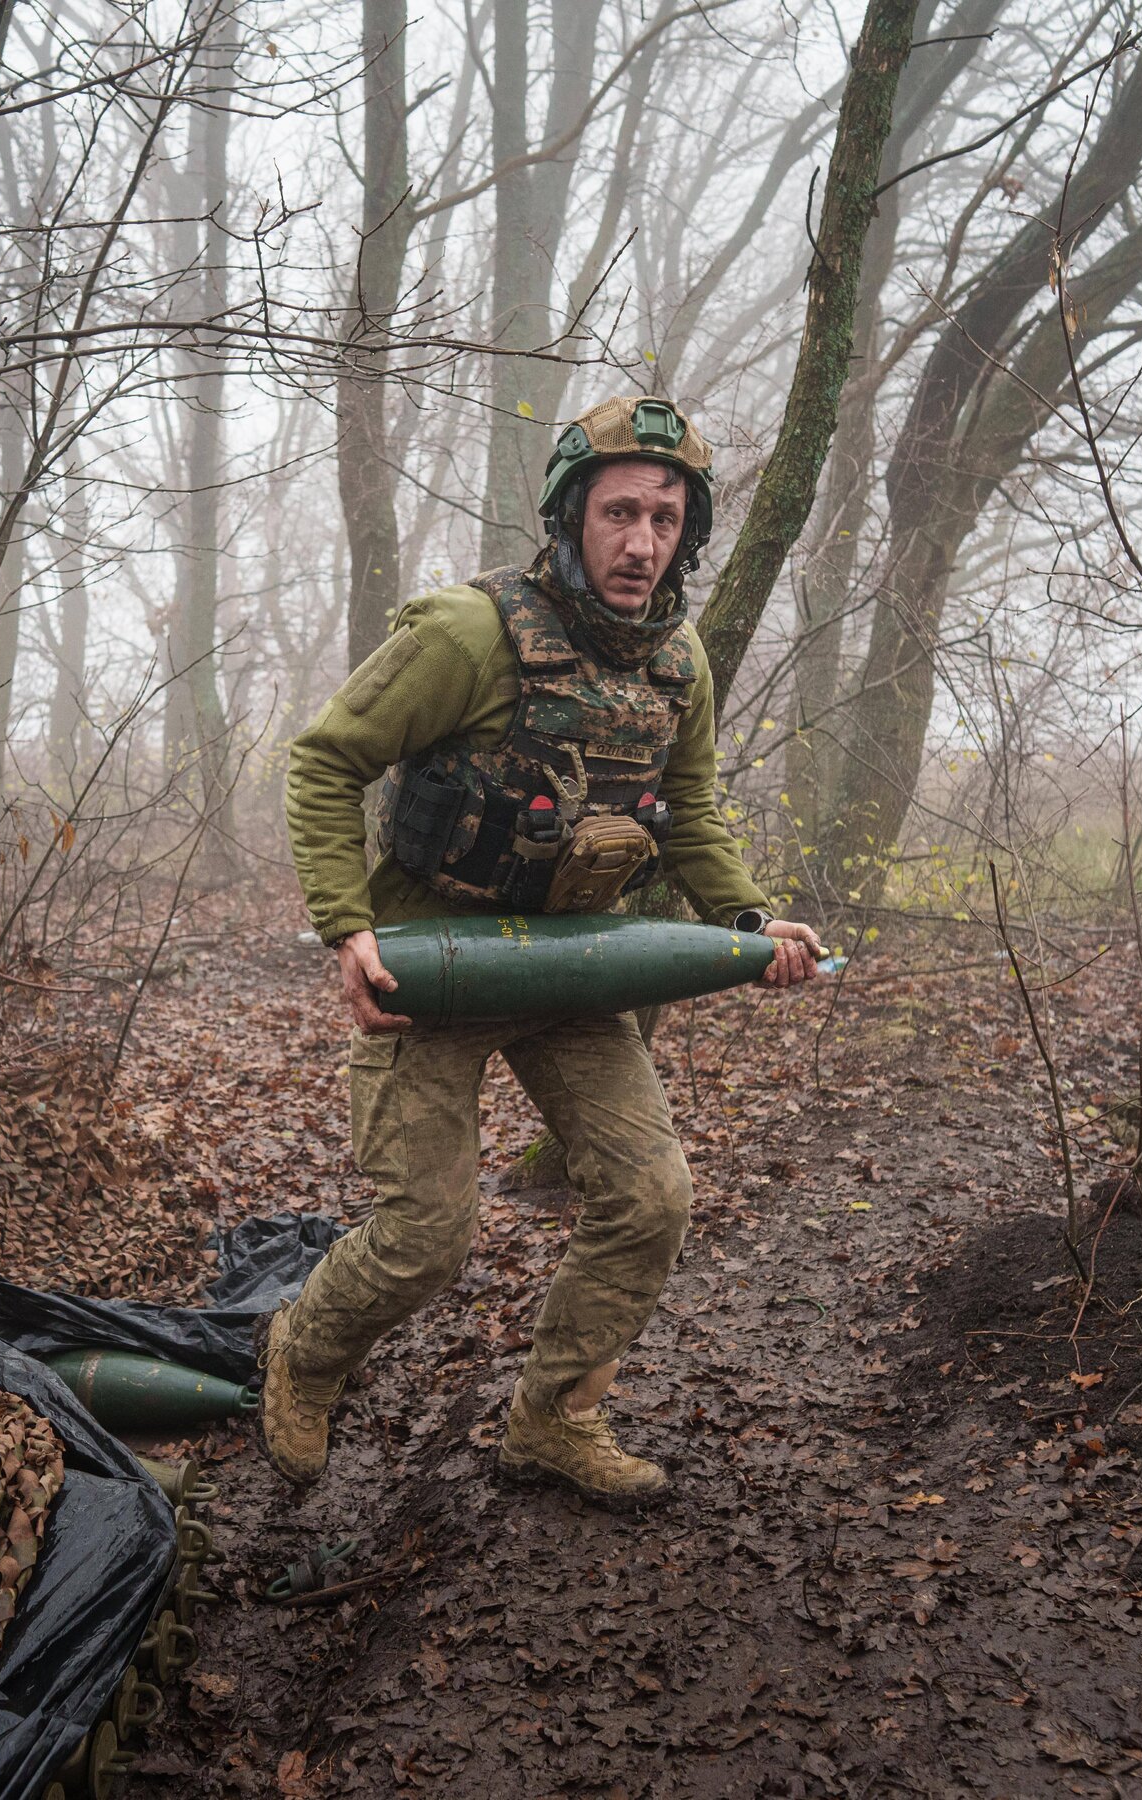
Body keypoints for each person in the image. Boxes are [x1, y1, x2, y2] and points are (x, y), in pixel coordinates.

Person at [263, 394, 825, 1507]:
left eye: (667, 519)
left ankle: (553, 1422)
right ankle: (303, 1354)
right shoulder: (469, 635)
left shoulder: (678, 664)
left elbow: (694, 806)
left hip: (573, 968)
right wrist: (348, 930)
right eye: (620, 513)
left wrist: (751, 920)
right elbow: (325, 762)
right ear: (572, 516)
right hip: (434, 960)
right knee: (426, 1238)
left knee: (652, 1196)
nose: (642, 542)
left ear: (688, 534)